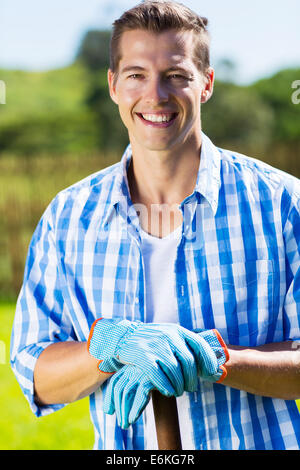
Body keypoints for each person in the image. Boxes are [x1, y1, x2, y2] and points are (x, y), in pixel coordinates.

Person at [10, 0, 300, 450]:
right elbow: (34, 371)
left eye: (176, 76)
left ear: (205, 83)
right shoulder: (69, 217)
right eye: (136, 75)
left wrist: (217, 359)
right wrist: (108, 348)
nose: (156, 96)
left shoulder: (283, 205)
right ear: (113, 85)